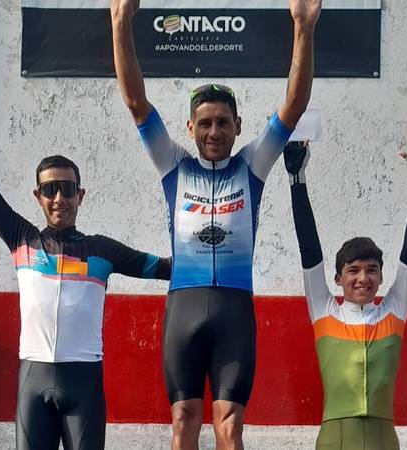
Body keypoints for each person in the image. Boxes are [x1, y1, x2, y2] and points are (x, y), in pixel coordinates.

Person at [111, 0, 322, 447]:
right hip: (183, 306)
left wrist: (303, 27)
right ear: (190, 128)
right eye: (204, 123)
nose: (214, 132)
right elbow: (135, 101)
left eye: (223, 122)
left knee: (230, 424)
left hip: (234, 308)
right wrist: (121, 22)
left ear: (238, 125)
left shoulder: (252, 164)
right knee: (183, 420)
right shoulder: (174, 165)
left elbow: (294, 105)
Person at [0, 67, 172, 450]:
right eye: (49, 190)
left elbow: (166, 269)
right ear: (38, 196)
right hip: (33, 378)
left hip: (84, 382)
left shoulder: (102, 250)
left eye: (66, 189)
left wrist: (217, 253)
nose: (59, 198)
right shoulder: (22, 239)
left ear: (81, 195)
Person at [283, 122, 407, 450]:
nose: (363, 279)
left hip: (384, 439)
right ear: (338, 278)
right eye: (353, 271)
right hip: (335, 439)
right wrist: (297, 180)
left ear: (382, 277)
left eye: (371, 271)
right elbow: (309, 249)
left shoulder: (394, 311)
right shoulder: (324, 311)